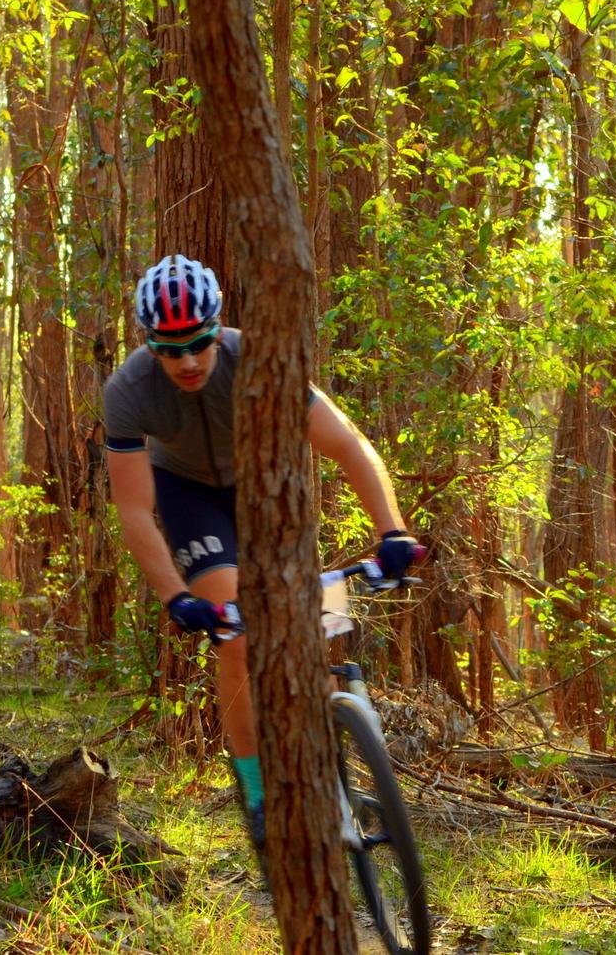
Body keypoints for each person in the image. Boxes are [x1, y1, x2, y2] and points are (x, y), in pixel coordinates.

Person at [103, 254, 422, 845]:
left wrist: (392, 531)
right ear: (149, 342)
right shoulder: (128, 390)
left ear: (217, 328)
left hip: (265, 488)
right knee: (237, 634)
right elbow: (133, 509)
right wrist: (175, 596)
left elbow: (350, 446)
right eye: (169, 349)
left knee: (312, 625)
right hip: (187, 494)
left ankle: (339, 750)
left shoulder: (257, 360)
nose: (188, 360)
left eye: (198, 343)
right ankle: (254, 789)